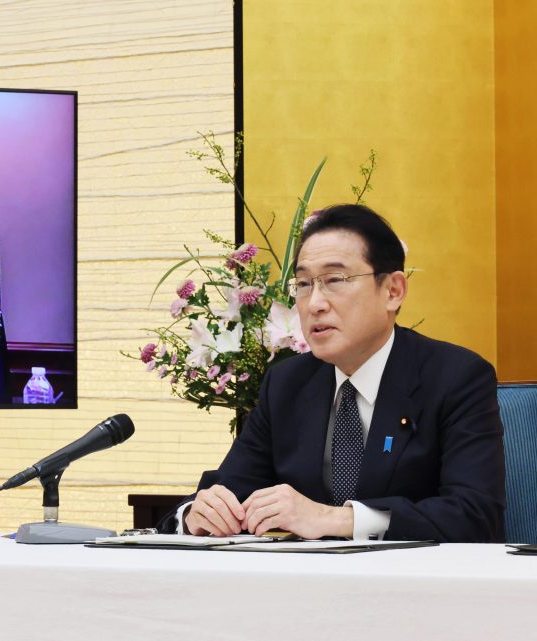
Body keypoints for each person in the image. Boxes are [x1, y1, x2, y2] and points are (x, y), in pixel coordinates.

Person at [165, 204, 505, 543]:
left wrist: (334, 518)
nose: (314, 304)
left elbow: (474, 515)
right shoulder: (286, 385)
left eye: (334, 280)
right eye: (302, 284)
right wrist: (196, 515)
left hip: (413, 587)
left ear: (393, 291)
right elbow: (231, 489)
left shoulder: (456, 378)